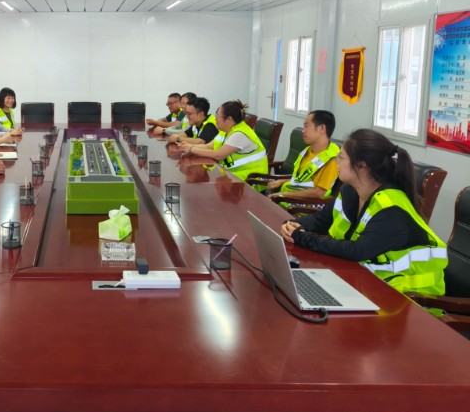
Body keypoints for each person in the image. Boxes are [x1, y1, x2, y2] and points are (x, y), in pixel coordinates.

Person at [280, 129, 447, 296]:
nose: (336, 161)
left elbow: (357, 251)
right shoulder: (350, 191)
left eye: (341, 157)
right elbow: (322, 220)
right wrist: (292, 225)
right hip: (368, 282)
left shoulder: (391, 208)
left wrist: (301, 237)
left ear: (361, 166)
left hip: (410, 297)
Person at [178, 99, 268, 181]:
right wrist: (188, 146)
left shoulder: (240, 134)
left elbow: (218, 155)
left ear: (229, 119)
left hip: (251, 179)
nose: (215, 118)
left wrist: (191, 149)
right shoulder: (225, 131)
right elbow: (208, 146)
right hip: (232, 175)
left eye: (218, 115)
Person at [267, 110, 339, 201]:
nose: (303, 131)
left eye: (306, 126)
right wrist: (280, 182)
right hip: (287, 198)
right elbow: (300, 180)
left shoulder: (331, 159)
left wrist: (283, 194)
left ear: (322, 128)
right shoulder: (307, 151)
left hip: (303, 206)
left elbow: (319, 193)